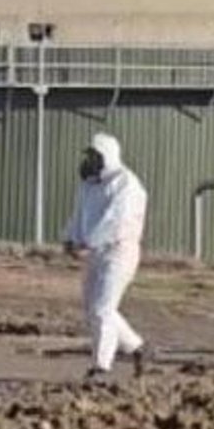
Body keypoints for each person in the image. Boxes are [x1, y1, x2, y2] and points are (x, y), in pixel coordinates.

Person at [64, 133, 150, 380]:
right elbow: (79, 215)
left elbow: (115, 221)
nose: (90, 160)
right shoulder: (89, 185)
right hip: (96, 252)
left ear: (107, 157)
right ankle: (137, 348)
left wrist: (88, 242)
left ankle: (101, 367)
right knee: (95, 309)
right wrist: (70, 236)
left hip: (119, 251)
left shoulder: (126, 184)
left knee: (103, 308)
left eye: (94, 155)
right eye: (88, 155)